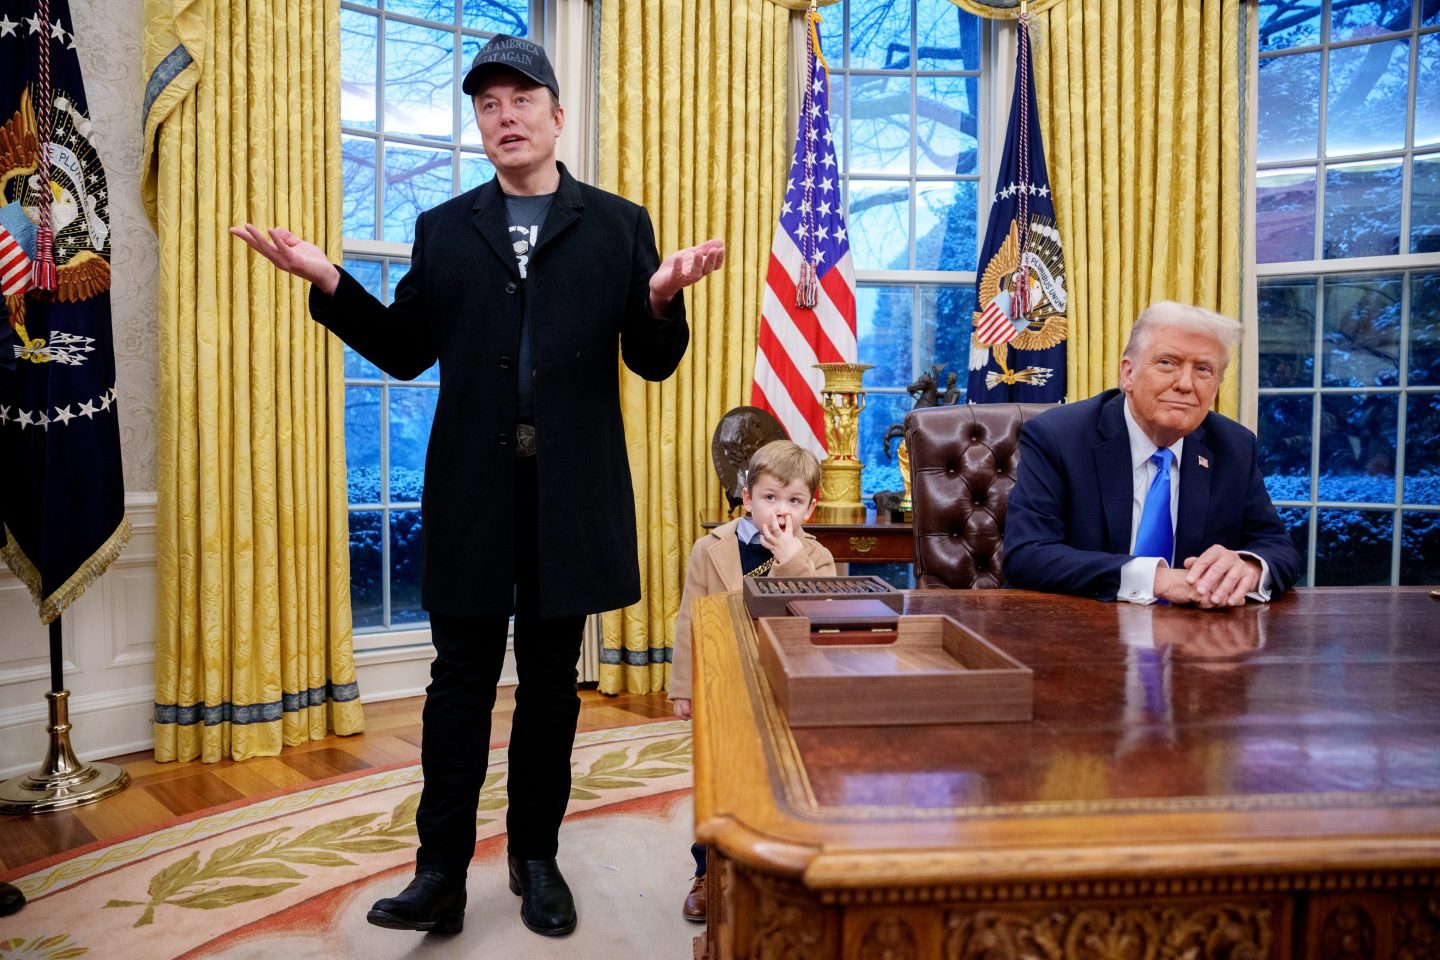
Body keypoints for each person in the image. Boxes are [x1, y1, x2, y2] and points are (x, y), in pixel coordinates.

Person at [231, 34, 724, 938]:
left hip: (569, 496)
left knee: (548, 687)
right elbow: (407, 348)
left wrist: (658, 297)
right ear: (481, 125)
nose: (505, 116)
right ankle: (439, 875)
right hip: (471, 491)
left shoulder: (620, 224)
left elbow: (654, 363)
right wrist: (329, 280)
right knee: (458, 682)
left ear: (556, 115)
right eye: (489, 105)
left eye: (521, 99)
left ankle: (536, 860)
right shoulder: (446, 228)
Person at [1004, 301, 1301, 606]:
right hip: (1077, 632)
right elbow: (1027, 554)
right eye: (1167, 363)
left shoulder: (1234, 446)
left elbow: (1278, 547)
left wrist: (1248, 569)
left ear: (1216, 386)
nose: (1186, 384)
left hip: (1194, 640)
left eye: (1203, 370)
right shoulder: (1058, 437)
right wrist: (1156, 579)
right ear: (1128, 374)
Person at [667, 439, 836, 922]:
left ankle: (780, 864)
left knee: (783, 780)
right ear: (747, 497)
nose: (781, 510)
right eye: (770, 497)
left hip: (787, 684)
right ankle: (706, 871)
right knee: (719, 781)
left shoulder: (816, 556)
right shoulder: (711, 548)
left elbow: (820, 613)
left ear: (811, 506)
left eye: (794, 501)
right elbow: (690, 619)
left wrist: (791, 556)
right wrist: (684, 685)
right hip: (725, 681)